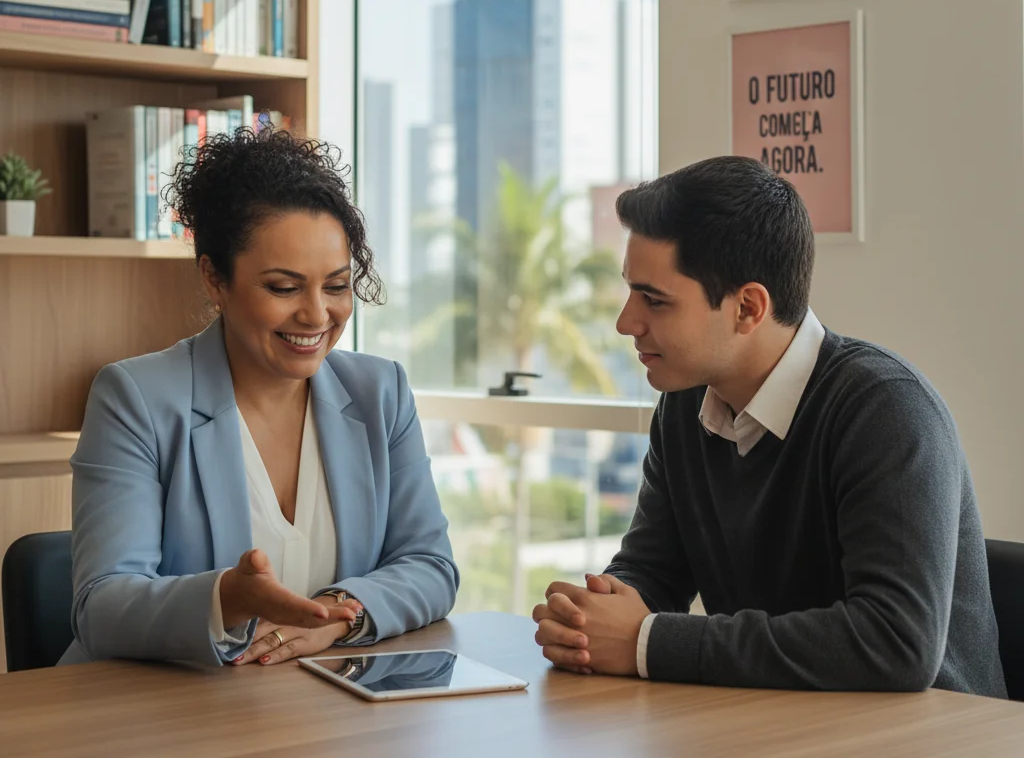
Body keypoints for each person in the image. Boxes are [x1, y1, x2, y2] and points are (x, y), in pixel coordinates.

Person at [533, 156, 1006, 697]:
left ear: (748, 308)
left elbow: (894, 643)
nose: (626, 322)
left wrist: (647, 641)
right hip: (780, 726)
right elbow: (654, 573)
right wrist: (591, 621)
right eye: (631, 291)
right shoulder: (685, 407)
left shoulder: (885, 411)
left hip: (931, 739)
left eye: (655, 300)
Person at [62, 129, 458, 667]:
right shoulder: (135, 399)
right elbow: (101, 606)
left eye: (337, 286)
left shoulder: (380, 392)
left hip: (321, 713)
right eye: (283, 287)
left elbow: (430, 564)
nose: (317, 315)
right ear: (214, 279)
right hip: (163, 717)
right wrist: (224, 600)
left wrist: (339, 613)